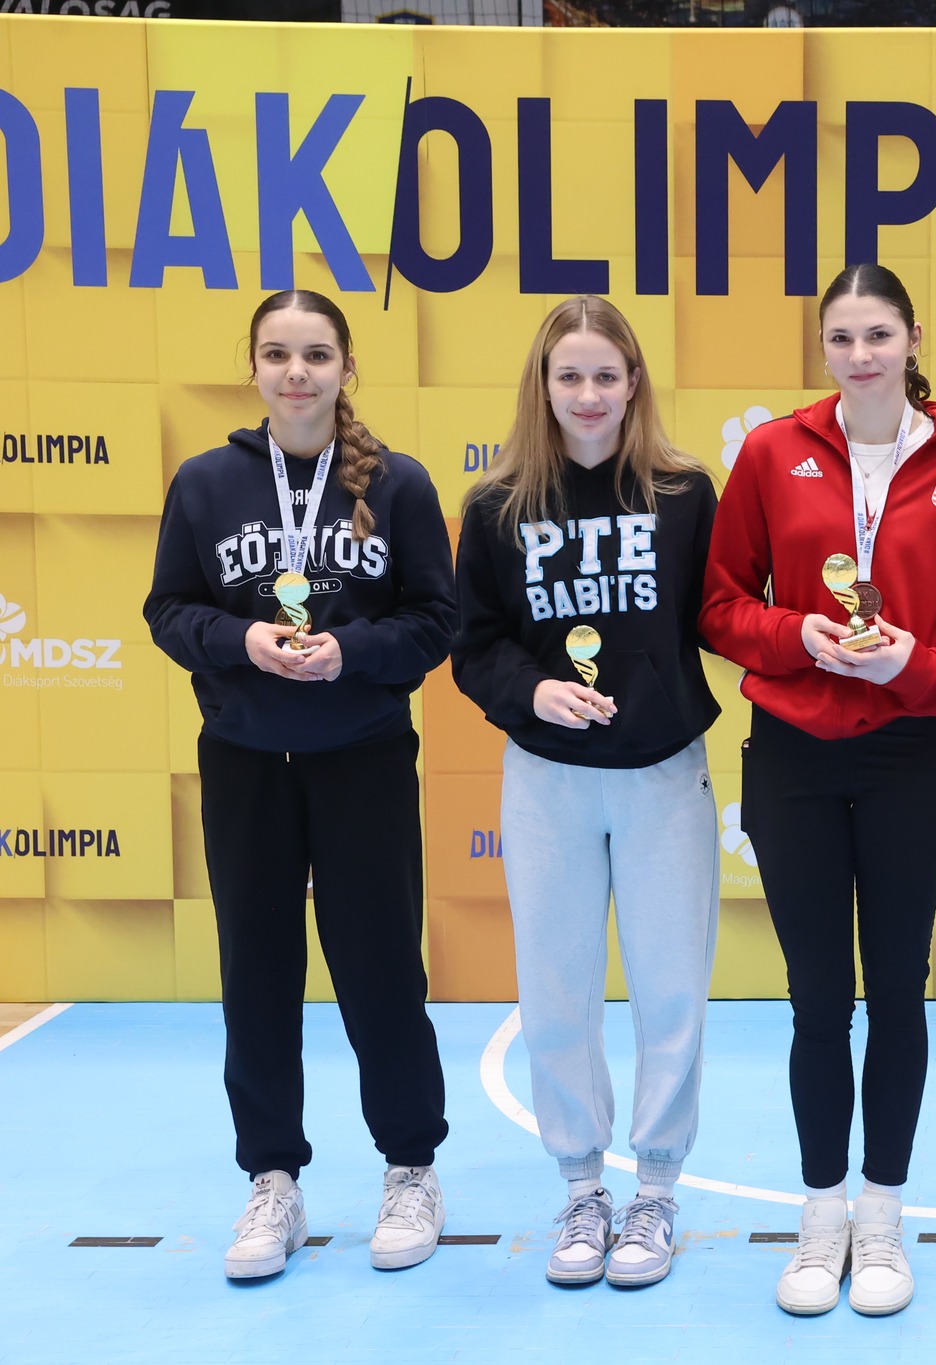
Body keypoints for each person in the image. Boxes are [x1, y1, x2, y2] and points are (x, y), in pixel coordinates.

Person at [699, 263, 936, 1317]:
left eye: (879, 334)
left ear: (913, 339)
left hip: (908, 755)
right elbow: (719, 606)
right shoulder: (771, 452)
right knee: (817, 998)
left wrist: (910, 663)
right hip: (791, 756)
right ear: (822, 346)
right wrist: (801, 637)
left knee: (899, 992)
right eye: (841, 337)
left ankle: (882, 1213)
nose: (861, 354)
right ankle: (821, 1211)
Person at [143, 289, 454, 1280]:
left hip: (363, 755)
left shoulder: (398, 485)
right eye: (277, 353)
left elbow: (436, 621)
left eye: (316, 354)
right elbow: (167, 609)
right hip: (245, 761)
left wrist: (349, 652)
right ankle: (272, 1178)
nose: (296, 373)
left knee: (381, 970)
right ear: (253, 366)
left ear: (346, 367)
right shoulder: (204, 483)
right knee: (257, 973)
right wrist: (242, 639)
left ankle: (410, 1168)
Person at [451, 296, 721, 1290]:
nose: (589, 394)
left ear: (634, 382)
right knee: (556, 991)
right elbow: (473, 646)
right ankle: (579, 1186)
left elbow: (722, 614)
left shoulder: (684, 495)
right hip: (548, 781)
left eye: (606, 374)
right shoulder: (497, 506)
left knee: (670, 992)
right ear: (544, 385)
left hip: (663, 777)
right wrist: (534, 692)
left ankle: (655, 1188)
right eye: (569, 375)